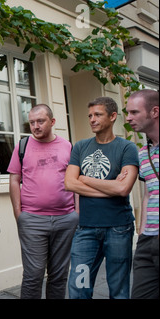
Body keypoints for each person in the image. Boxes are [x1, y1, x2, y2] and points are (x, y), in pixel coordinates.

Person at [65, 96, 139, 299]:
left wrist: (84, 178)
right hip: (86, 229)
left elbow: (124, 189)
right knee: (79, 287)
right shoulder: (80, 147)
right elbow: (70, 183)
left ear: (113, 116)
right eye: (90, 115)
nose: (92, 119)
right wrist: (111, 186)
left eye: (97, 114)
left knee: (119, 289)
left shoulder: (127, 148)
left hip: (118, 228)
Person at [8, 104, 78, 299]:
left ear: (52, 122)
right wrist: (18, 214)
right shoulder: (22, 146)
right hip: (32, 220)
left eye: (40, 121)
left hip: (66, 219)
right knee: (33, 274)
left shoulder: (68, 146)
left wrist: (77, 213)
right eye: (32, 122)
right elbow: (14, 180)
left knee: (59, 275)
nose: (35, 126)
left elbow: (75, 180)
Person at [125, 89, 159, 299]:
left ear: (155, 111)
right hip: (149, 241)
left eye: (134, 112)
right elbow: (148, 194)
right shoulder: (143, 153)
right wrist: (143, 232)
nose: (128, 118)